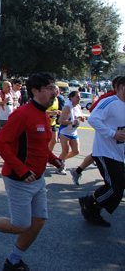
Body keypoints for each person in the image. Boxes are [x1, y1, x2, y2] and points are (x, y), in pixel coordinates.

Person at [0, 73, 64, 271]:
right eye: (50, 88)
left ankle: (14, 260)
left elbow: (39, 146)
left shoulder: (44, 115)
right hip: (19, 179)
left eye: (55, 88)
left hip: (38, 179)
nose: (55, 92)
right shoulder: (23, 114)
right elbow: (1, 142)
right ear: (36, 91)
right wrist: (22, 169)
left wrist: (54, 160)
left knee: (38, 222)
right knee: (20, 225)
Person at [78, 76, 125, 227]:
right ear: (122, 87)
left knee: (118, 187)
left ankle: (93, 208)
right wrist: (113, 133)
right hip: (105, 151)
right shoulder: (110, 102)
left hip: (118, 152)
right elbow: (93, 119)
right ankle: (90, 204)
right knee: (115, 186)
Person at [70, 75, 122, 185]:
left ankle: (78, 171)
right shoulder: (108, 98)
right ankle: (78, 172)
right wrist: (108, 129)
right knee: (98, 155)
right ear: (119, 87)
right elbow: (93, 112)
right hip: (107, 137)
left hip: (120, 140)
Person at [56, 91, 84, 174]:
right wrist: (71, 122)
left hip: (74, 132)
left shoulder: (78, 107)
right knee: (65, 151)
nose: (79, 99)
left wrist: (81, 118)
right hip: (65, 132)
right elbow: (60, 120)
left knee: (76, 151)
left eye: (79, 97)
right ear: (71, 98)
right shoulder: (67, 107)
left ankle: (60, 160)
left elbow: (78, 117)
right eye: (77, 97)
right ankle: (60, 167)